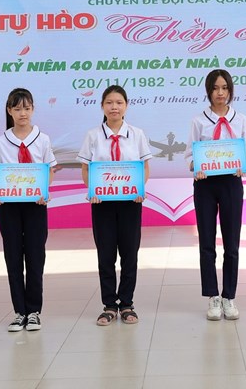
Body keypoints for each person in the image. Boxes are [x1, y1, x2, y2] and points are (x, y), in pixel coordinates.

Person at [78, 85, 152, 326]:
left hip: (131, 202)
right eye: (109, 102)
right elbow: (86, 168)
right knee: (106, 254)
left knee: (130, 254)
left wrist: (139, 189)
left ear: (126, 106)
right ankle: (109, 305)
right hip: (102, 204)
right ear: (102, 106)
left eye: (119, 102)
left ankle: (127, 303)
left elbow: (144, 167)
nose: (114, 107)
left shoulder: (137, 134)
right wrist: (93, 190)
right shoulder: (93, 135)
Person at [185, 69, 246, 321]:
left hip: (231, 183)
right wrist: (197, 165)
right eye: (215, 88)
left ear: (231, 90)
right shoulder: (198, 121)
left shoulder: (241, 119)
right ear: (208, 91)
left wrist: (243, 164)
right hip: (205, 185)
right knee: (206, 243)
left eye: (224, 88)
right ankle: (212, 296)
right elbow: (189, 154)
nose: (220, 93)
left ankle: (229, 296)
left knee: (232, 243)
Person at [0, 88, 57, 333]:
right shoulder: (2, 140)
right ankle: (19, 311)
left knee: (36, 256)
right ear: (9, 111)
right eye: (17, 109)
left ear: (33, 109)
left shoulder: (43, 139)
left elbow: (49, 169)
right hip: (9, 207)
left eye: (27, 108)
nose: (22, 113)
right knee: (13, 257)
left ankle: (34, 311)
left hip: (35, 206)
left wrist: (44, 190)